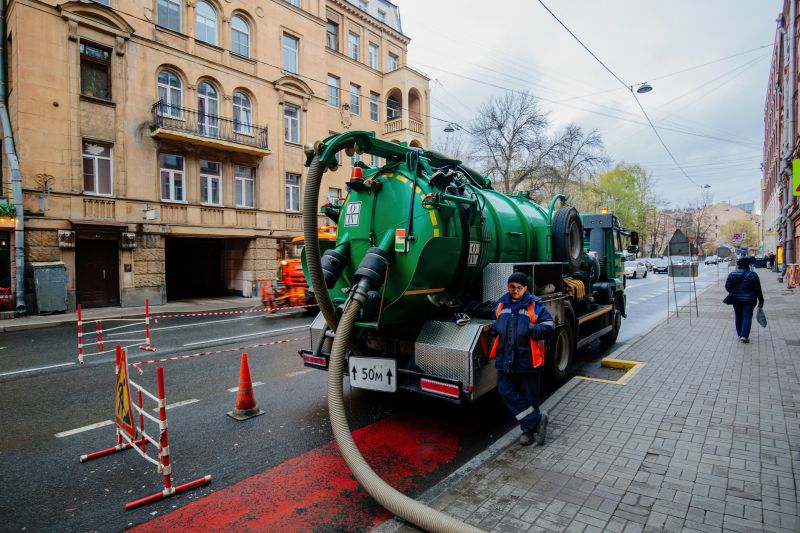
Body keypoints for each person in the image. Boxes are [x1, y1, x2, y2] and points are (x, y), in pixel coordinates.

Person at [489, 272, 555, 446]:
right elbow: (495, 322)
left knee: (529, 397)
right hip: (505, 359)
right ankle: (536, 421)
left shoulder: (535, 305)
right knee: (505, 391)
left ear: (525, 288)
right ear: (507, 287)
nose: (515, 290)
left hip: (528, 359)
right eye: (512, 287)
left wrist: (531, 328)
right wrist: (495, 329)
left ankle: (528, 432)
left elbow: (549, 326)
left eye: (519, 287)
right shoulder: (502, 304)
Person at [725, 257, 765, 343]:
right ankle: (744, 335)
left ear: (738, 265)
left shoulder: (732, 274)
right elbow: (758, 289)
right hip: (750, 300)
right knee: (747, 316)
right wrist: (761, 300)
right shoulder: (753, 275)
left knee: (738, 316)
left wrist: (734, 292)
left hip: (736, 299)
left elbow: (727, 287)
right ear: (748, 265)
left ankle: (740, 334)